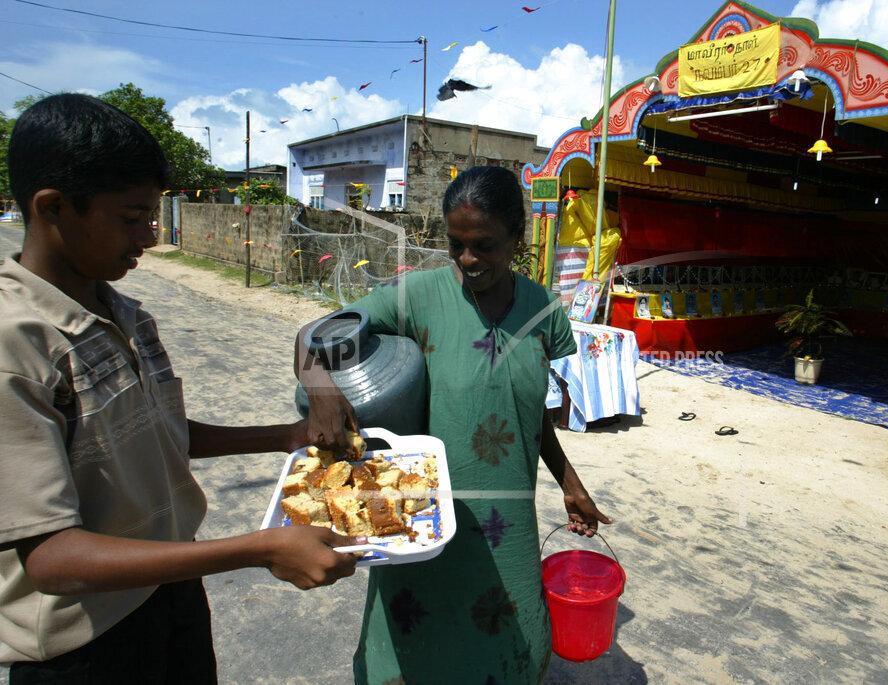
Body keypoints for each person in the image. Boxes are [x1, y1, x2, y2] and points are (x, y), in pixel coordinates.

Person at [0, 94, 362, 682]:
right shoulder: (15, 344)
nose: (149, 235)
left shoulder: (126, 313)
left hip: (170, 594)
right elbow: (50, 559)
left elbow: (157, 434)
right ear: (54, 208)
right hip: (85, 646)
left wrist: (289, 436)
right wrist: (260, 547)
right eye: (131, 217)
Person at [296, 166, 611, 683]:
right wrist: (321, 388)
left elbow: (526, 410)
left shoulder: (544, 311)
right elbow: (314, 334)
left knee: (514, 641)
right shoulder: (417, 296)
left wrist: (570, 485)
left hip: (507, 517)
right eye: (456, 243)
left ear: (518, 238)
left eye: (484, 245)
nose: (468, 259)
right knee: (417, 645)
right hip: (426, 515)